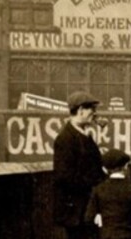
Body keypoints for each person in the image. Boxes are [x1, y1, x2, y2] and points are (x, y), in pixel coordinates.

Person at [53, 91, 107, 239]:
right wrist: (94, 184)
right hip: (77, 212)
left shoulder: (84, 135)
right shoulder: (65, 139)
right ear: (81, 110)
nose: (94, 113)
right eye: (92, 109)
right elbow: (64, 177)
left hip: (87, 209)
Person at [85, 149, 131, 239]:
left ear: (105, 170)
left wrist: (101, 233)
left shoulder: (98, 189)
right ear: (125, 166)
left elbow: (88, 219)